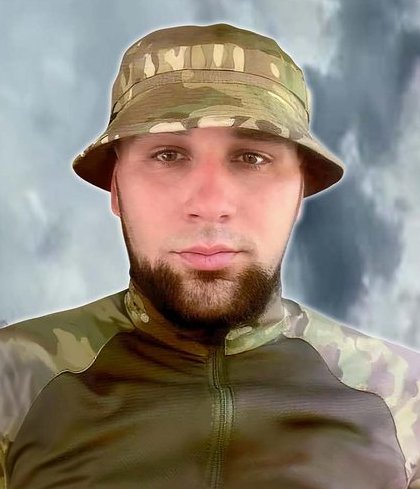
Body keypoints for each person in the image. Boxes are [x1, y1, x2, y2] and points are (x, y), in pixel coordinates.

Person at [1, 23, 419, 489]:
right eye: (168, 155)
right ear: (116, 187)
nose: (211, 203)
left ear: (300, 189)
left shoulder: (404, 400)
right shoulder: (14, 379)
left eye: (251, 158)